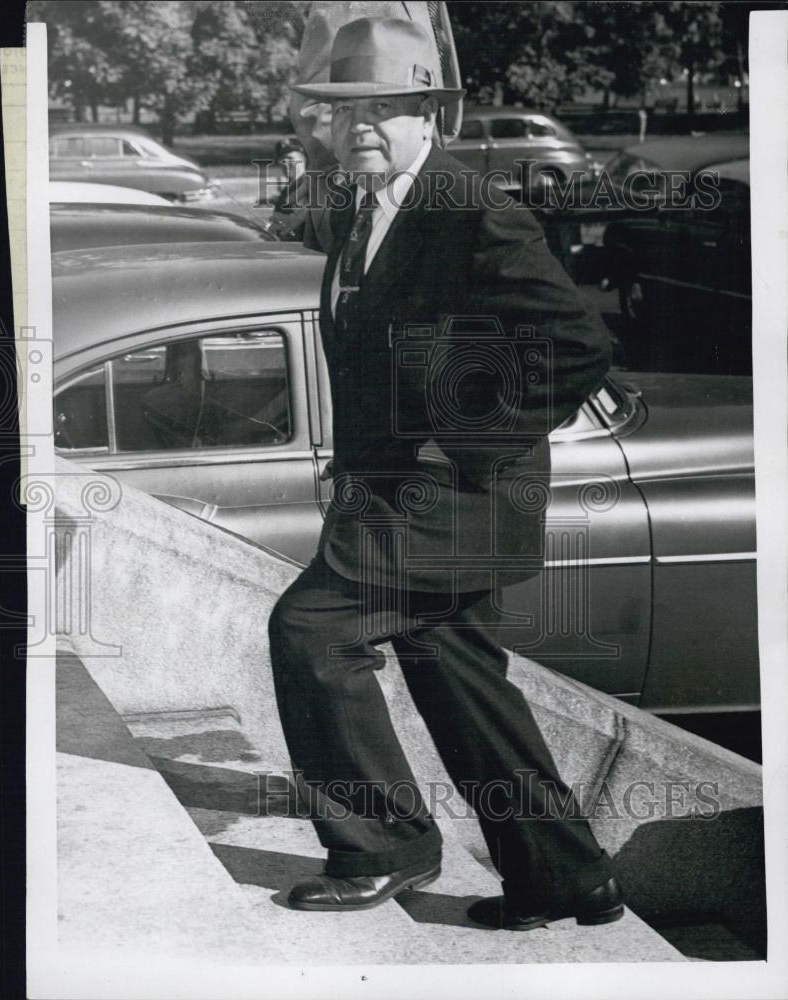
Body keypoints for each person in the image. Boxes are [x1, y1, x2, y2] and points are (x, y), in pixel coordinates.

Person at [268, 16, 624, 931]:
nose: (363, 130)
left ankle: (383, 845)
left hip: (451, 501)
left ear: (433, 114)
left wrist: (460, 441)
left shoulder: (468, 209)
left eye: (387, 110)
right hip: (404, 505)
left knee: (310, 631)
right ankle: (564, 875)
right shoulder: (364, 206)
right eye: (347, 114)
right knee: (454, 669)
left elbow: (578, 344)